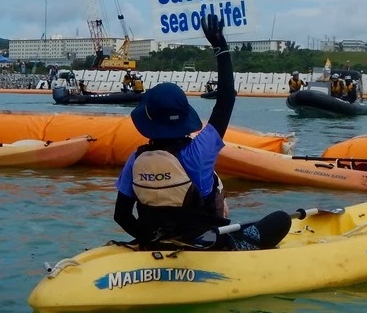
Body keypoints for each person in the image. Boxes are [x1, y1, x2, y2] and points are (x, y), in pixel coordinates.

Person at [113, 14, 292, 251]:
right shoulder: (200, 150)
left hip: (156, 242)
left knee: (243, 223)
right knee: (282, 219)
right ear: (185, 118)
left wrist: (149, 240)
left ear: (148, 120)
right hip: (207, 246)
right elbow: (226, 99)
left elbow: (121, 216)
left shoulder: (136, 160)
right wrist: (220, 46)